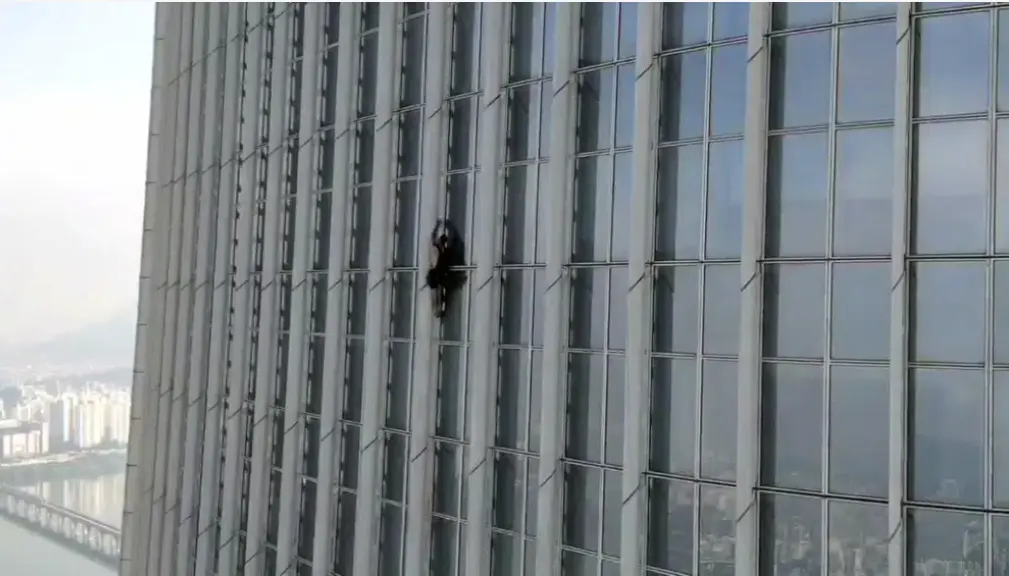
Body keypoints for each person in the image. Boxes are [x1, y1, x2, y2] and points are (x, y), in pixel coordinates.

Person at [426, 219, 466, 318]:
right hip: (436, 274)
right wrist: (438, 226)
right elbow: (433, 237)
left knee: (438, 292)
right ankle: (437, 309)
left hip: (438, 274)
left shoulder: (442, 251)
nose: (443, 244)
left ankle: (439, 309)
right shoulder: (439, 250)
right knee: (436, 293)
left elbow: (434, 238)